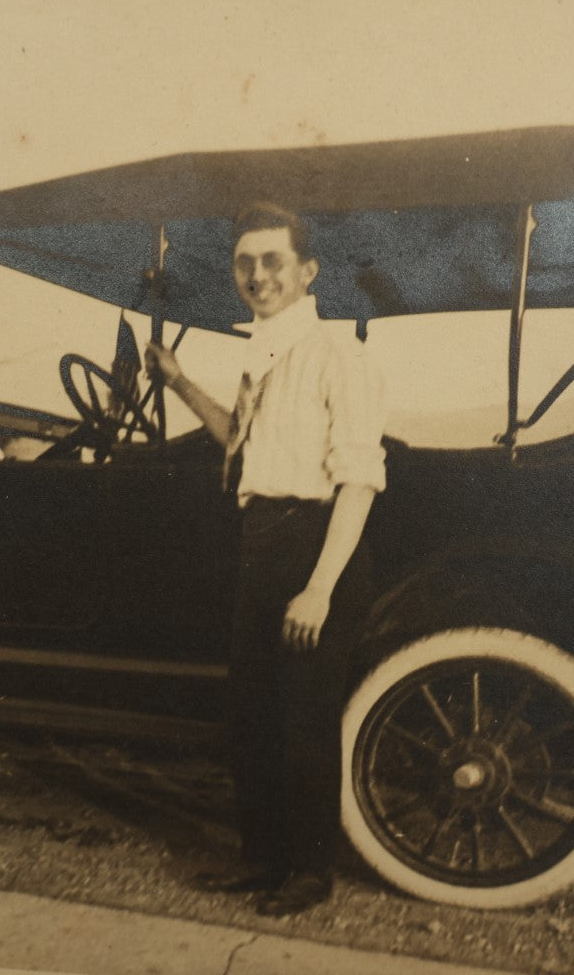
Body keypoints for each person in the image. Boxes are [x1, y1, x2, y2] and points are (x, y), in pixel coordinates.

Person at [146, 202, 386, 917]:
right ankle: (261, 861)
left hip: (318, 545)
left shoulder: (337, 354)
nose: (257, 275)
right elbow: (239, 448)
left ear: (306, 271)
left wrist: (318, 589)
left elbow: (359, 478)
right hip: (261, 541)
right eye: (244, 264)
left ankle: (309, 874)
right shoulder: (262, 354)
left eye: (272, 261)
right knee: (252, 714)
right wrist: (181, 381)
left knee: (304, 720)